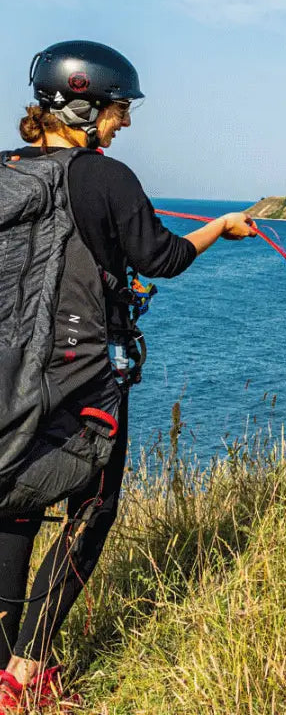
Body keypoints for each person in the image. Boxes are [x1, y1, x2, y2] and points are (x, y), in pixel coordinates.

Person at [0, 41, 257, 709]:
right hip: (82, 374)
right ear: (83, 105)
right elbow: (163, 257)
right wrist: (221, 228)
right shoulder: (105, 178)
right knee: (94, 507)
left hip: (10, 372)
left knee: (13, 507)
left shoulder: (7, 173)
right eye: (119, 109)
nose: (126, 123)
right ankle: (28, 674)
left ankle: (1, 673)